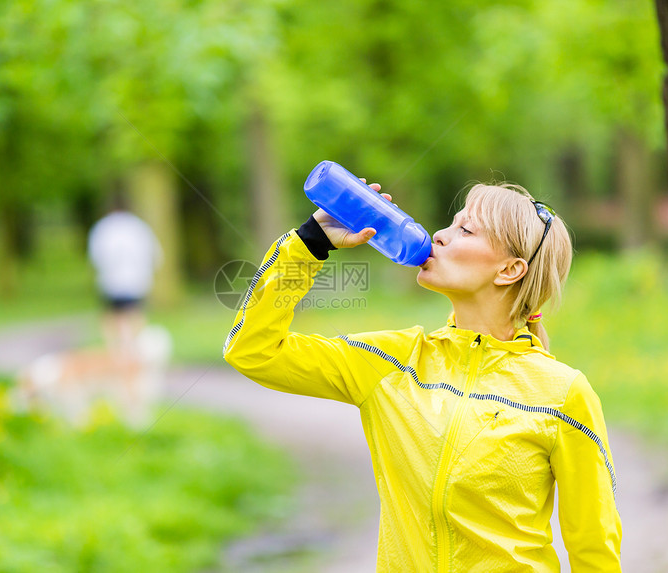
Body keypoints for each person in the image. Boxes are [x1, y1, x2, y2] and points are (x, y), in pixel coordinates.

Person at [223, 180, 622, 571]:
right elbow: (253, 350)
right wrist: (309, 243)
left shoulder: (563, 393)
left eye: (465, 229)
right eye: (451, 223)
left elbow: (594, 547)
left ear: (510, 269)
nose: (440, 236)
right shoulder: (390, 361)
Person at [88, 191, 162, 356]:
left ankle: (115, 351)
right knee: (135, 314)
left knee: (113, 316)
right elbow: (154, 253)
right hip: (137, 280)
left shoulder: (102, 227)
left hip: (111, 281)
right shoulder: (139, 226)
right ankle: (133, 349)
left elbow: (96, 256)